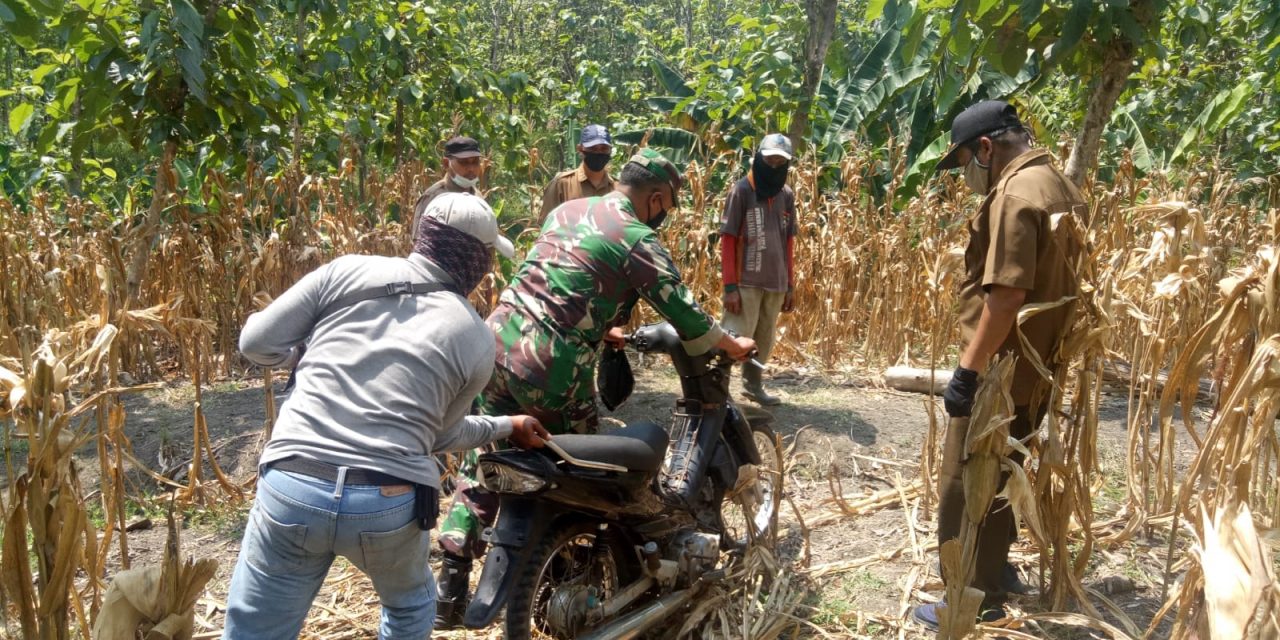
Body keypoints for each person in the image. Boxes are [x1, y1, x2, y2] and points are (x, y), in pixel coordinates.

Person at [432, 148, 758, 628]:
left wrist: (600, 324)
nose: (665, 212)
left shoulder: (567, 210)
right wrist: (730, 344)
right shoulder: (636, 237)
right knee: (589, 473)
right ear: (657, 196)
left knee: (487, 460)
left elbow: (558, 278)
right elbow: (684, 312)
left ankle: (451, 579)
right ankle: (580, 570)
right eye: (667, 203)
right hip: (550, 366)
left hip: (493, 345)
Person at [224, 193, 550, 640]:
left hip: (293, 482)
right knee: (409, 610)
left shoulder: (347, 270)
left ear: (424, 236)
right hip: (388, 500)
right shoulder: (476, 339)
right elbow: (438, 437)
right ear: (477, 259)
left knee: (255, 628)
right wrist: (505, 426)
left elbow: (255, 343)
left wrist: (304, 355)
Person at [912, 100, 1088, 631]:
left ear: (986, 147)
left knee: (967, 481)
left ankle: (968, 594)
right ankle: (997, 570)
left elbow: (1007, 296)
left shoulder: (1013, 194)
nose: (965, 172)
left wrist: (968, 370)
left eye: (964, 160)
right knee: (1009, 470)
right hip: (1041, 365)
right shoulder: (1057, 183)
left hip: (1002, 372)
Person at [720, 133, 798, 406]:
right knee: (734, 336)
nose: (774, 166)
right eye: (770, 160)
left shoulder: (786, 194)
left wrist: (790, 284)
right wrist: (730, 286)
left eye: (781, 162)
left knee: (763, 338)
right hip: (746, 281)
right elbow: (728, 239)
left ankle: (753, 386)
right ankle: (718, 388)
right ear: (759, 158)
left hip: (775, 281)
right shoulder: (742, 190)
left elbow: (788, 240)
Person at [411, 136, 484, 238]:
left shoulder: (478, 197)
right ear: (446, 163)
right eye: (464, 162)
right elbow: (421, 245)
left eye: (475, 162)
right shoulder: (432, 197)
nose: (471, 168)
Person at [539, 124, 617, 221]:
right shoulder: (562, 184)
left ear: (610, 150)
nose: (598, 153)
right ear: (580, 149)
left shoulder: (617, 188)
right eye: (592, 148)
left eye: (604, 148)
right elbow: (546, 225)